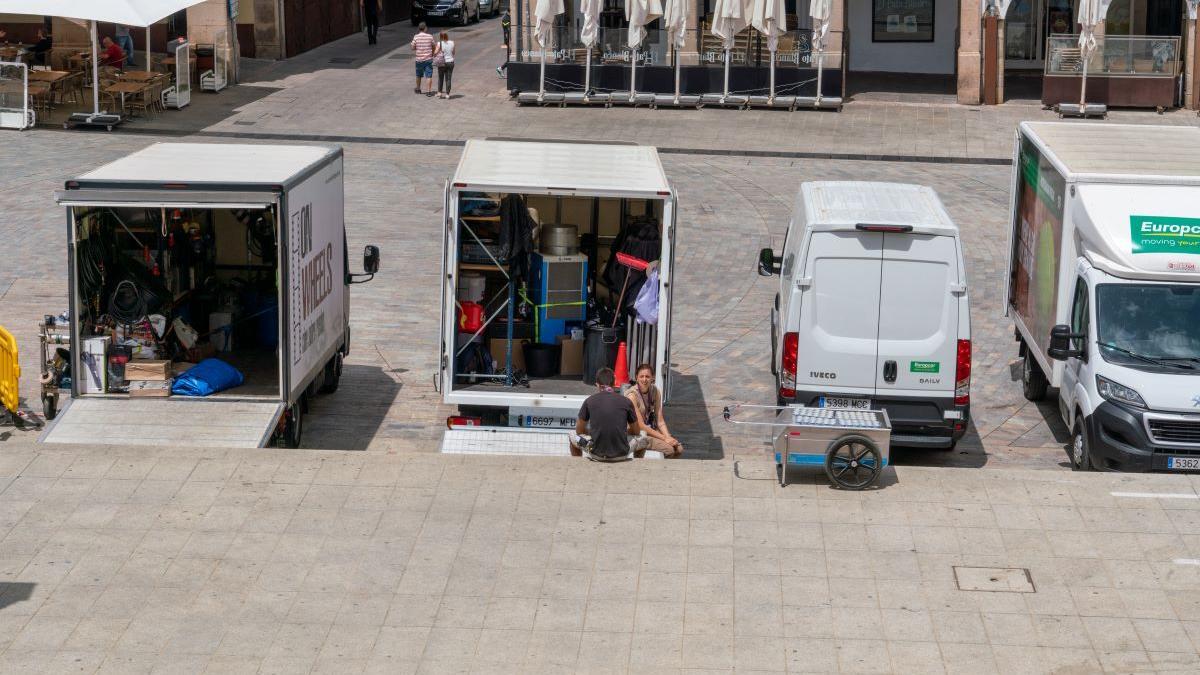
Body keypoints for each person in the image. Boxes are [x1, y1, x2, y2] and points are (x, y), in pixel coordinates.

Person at [571, 367, 650, 461]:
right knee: (643, 435)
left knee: (572, 435)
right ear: (614, 383)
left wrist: (593, 432)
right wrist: (622, 432)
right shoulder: (626, 401)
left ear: (597, 384)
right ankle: (638, 464)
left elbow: (579, 430)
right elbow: (636, 431)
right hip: (622, 454)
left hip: (595, 453)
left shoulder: (589, 401)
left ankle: (575, 465)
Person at [625, 364, 684, 458]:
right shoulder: (632, 396)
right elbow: (641, 426)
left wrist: (668, 437)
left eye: (647, 376)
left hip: (650, 429)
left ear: (652, 378)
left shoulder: (655, 391)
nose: (644, 379)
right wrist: (665, 438)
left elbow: (660, 421)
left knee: (679, 449)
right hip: (637, 433)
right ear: (637, 377)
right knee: (670, 450)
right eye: (641, 376)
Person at [411, 22, 435, 96]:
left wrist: (417, 47)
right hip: (428, 59)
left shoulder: (416, 37)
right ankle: (428, 91)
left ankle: (418, 89)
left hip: (419, 60)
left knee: (418, 75)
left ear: (419, 28)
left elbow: (412, 47)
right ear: (425, 28)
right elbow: (434, 46)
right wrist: (432, 53)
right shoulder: (430, 36)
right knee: (429, 75)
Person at [434, 31, 455, 99]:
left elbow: (435, 53)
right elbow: (453, 53)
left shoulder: (439, 43)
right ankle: (447, 94)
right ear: (447, 36)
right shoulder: (452, 42)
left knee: (440, 78)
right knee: (448, 79)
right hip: (450, 62)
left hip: (442, 63)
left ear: (440, 37)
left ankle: (439, 93)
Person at [496, 11, 511, 78]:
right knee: (511, 58)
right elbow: (507, 30)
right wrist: (509, 42)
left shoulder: (508, 17)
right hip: (509, 41)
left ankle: (501, 69)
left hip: (509, 40)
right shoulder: (505, 18)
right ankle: (501, 68)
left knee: (511, 57)